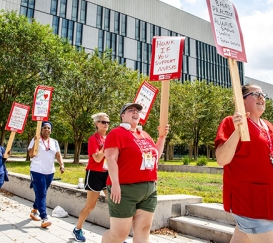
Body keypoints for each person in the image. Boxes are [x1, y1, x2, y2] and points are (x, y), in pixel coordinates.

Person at [215, 84, 273, 243]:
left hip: (268, 201)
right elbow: (222, 159)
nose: (262, 97)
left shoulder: (268, 126)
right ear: (241, 100)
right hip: (252, 203)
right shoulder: (230, 122)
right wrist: (237, 131)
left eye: (263, 94)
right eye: (255, 94)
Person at [101, 102, 169, 243]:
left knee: (143, 232)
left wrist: (162, 137)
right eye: (130, 110)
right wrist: (115, 184)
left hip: (149, 190)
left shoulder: (144, 134)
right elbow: (111, 159)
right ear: (123, 116)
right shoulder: (116, 133)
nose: (135, 112)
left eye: (137, 110)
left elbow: (155, 154)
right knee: (119, 234)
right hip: (125, 190)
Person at [72, 112, 110, 242]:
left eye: (108, 122)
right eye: (103, 122)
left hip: (107, 174)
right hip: (94, 174)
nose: (106, 125)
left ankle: (117, 235)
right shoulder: (93, 139)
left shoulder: (108, 138)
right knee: (90, 206)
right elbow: (98, 158)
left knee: (114, 204)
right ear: (97, 124)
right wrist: (106, 146)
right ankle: (77, 229)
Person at [28, 121, 65, 228]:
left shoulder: (54, 142)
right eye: (44, 128)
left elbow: (58, 155)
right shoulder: (35, 139)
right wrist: (35, 142)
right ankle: (44, 218)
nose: (47, 130)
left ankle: (34, 210)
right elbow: (31, 155)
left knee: (42, 193)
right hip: (37, 171)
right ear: (41, 129)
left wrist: (61, 164)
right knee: (42, 194)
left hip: (50, 172)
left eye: (49, 128)